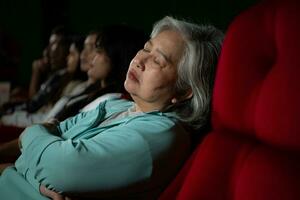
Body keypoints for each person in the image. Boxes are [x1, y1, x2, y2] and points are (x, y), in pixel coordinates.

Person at [0, 16, 224, 199]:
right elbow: (46, 151)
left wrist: (29, 141)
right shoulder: (115, 104)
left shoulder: (160, 135)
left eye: (158, 61)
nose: (139, 60)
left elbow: (60, 167)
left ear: (184, 91)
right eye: (146, 48)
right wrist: (33, 177)